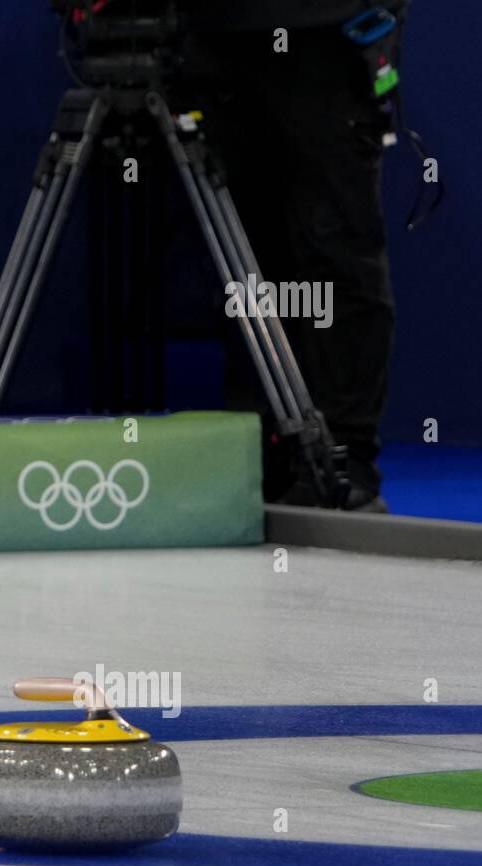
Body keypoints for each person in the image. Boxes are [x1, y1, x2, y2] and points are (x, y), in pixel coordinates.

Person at [183, 0, 410, 511]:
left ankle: (342, 459)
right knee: (247, 264)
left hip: (330, 28)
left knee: (334, 250)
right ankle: (266, 452)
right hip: (216, 35)